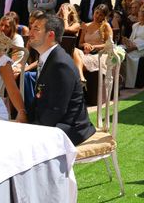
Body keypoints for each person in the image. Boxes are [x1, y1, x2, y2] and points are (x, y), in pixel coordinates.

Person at [27, 13, 95, 145]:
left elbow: (56, 109)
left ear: (50, 35)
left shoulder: (60, 64)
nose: (30, 33)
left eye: (36, 29)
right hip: (52, 122)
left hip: (69, 128)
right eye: (31, 28)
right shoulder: (48, 57)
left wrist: (32, 129)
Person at [122, 4, 144, 88]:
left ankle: (129, 83)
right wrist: (126, 41)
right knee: (119, 50)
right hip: (134, 45)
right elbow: (131, 39)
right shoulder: (135, 25)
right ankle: (122, 79)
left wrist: (135, 48)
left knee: (129, 55)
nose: (141, 13)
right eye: (141, 11)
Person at [76, 4, 112, 82]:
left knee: (77, 63)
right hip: (86, 53)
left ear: (104, 17)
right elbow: (80, 44)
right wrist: (85, 44)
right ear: (94, 12)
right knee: (75, 53)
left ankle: (80, 82)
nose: (97, 16)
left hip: (100, 55)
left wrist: (94, 47)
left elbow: (109, 44)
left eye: (101, 15)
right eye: (97, 13)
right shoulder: (86, 25)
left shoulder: (106, 26)